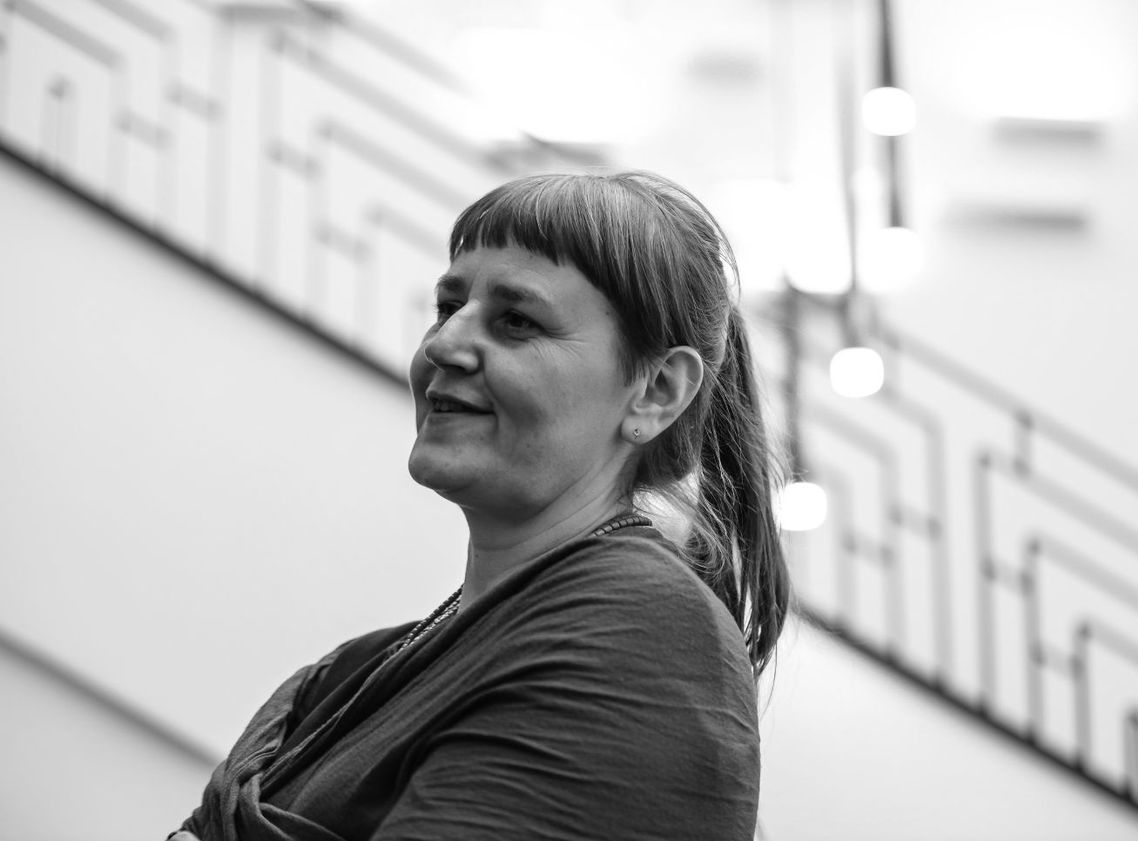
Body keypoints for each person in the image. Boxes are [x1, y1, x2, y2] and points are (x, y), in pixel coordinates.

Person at [171, 171, 790, 841]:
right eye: (447, 307)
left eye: (517, 321)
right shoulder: (355, 671)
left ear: (656, 391)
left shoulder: (645, 632)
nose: (441, 345)